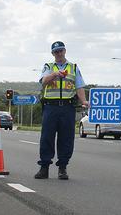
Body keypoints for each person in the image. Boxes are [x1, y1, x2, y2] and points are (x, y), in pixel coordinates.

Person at [35, 41, 89, 180]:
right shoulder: (48, 66)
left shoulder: (73, 67)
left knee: (66, 138)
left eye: (61, 51)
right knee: (47, 137)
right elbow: (43, 81)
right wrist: (55, 74)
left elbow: (79, 86)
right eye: (56, 52)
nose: (59, 54)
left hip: (67, 107)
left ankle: (62, 168)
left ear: (65, 51)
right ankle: (44, 167)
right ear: (52, 54)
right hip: (50, 107)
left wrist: (83, 101)